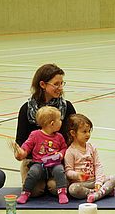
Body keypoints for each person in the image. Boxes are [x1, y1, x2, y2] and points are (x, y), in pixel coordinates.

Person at [15, 63, 76, 197]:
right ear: (42, 84)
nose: (60, 88)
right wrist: (22, 153)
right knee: (35, 191)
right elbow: (20, 140)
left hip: (58, 161)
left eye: (62, 83)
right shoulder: (26, 109)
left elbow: (73, 138)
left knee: (55, 188)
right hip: (34, 161)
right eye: (56, 84)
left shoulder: (67, 107)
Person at [12, 106, 69, 204]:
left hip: (54, 163)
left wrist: (60, 154)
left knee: (59, 170)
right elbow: (27, 146)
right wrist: (22, 152)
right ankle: (25, 192)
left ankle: (62, 192)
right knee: (33, 172)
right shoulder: (35, 135)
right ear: (52, 123)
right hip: (39, 164)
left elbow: (64, 148)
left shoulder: (59, 137)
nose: (61, 122)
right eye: (59, 120)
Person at [64, 113, 115, 203]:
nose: (88, 134)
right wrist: (77, 175)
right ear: (73, 133)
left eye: (89, 131)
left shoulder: (92, 147)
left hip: (94, 181)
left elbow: (98, 166)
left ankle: (98, 193)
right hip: (81, 184)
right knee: (72, 189)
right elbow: (68, 171)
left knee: (113, 179)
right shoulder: (70, 151)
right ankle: (99, 193)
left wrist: (99, 182)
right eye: (84, 132)